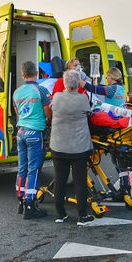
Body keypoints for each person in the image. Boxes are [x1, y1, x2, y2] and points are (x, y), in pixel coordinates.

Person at [49, 69, 95, 226]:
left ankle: (60, 214)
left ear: (64, 82)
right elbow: (89, 113)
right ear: (78, 83)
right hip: (78, 147)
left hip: (58, 145)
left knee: (59, 180)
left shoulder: (56, 97)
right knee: (80, 182)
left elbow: (53, 108)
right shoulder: (83, 99)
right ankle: (82, 216)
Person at [13, 61, 52, 219]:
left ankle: (21, 202)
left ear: (23, 74)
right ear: (36, 73)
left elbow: (17, 112)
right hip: (35, 133)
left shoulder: (16, 92)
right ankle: (30, 205)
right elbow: (48, 111)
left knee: (22, 168)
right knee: (33, 169)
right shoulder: (41, 90)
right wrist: (49, 121)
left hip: (21, 132)